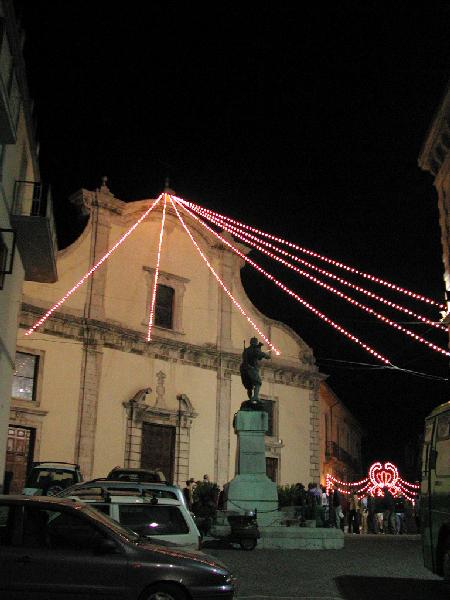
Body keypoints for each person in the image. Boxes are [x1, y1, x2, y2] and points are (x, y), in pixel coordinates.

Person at [239, 337, 271, 403]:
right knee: (258, 382)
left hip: (243, 370)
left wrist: (259, 348)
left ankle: (251, 399)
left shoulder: (246, 350)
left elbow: (256, 357)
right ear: (255, 343)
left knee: (249, 386)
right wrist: (267, 356)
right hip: (251, 369)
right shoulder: (255, 349)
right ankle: (255, 397)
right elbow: (259, 355)